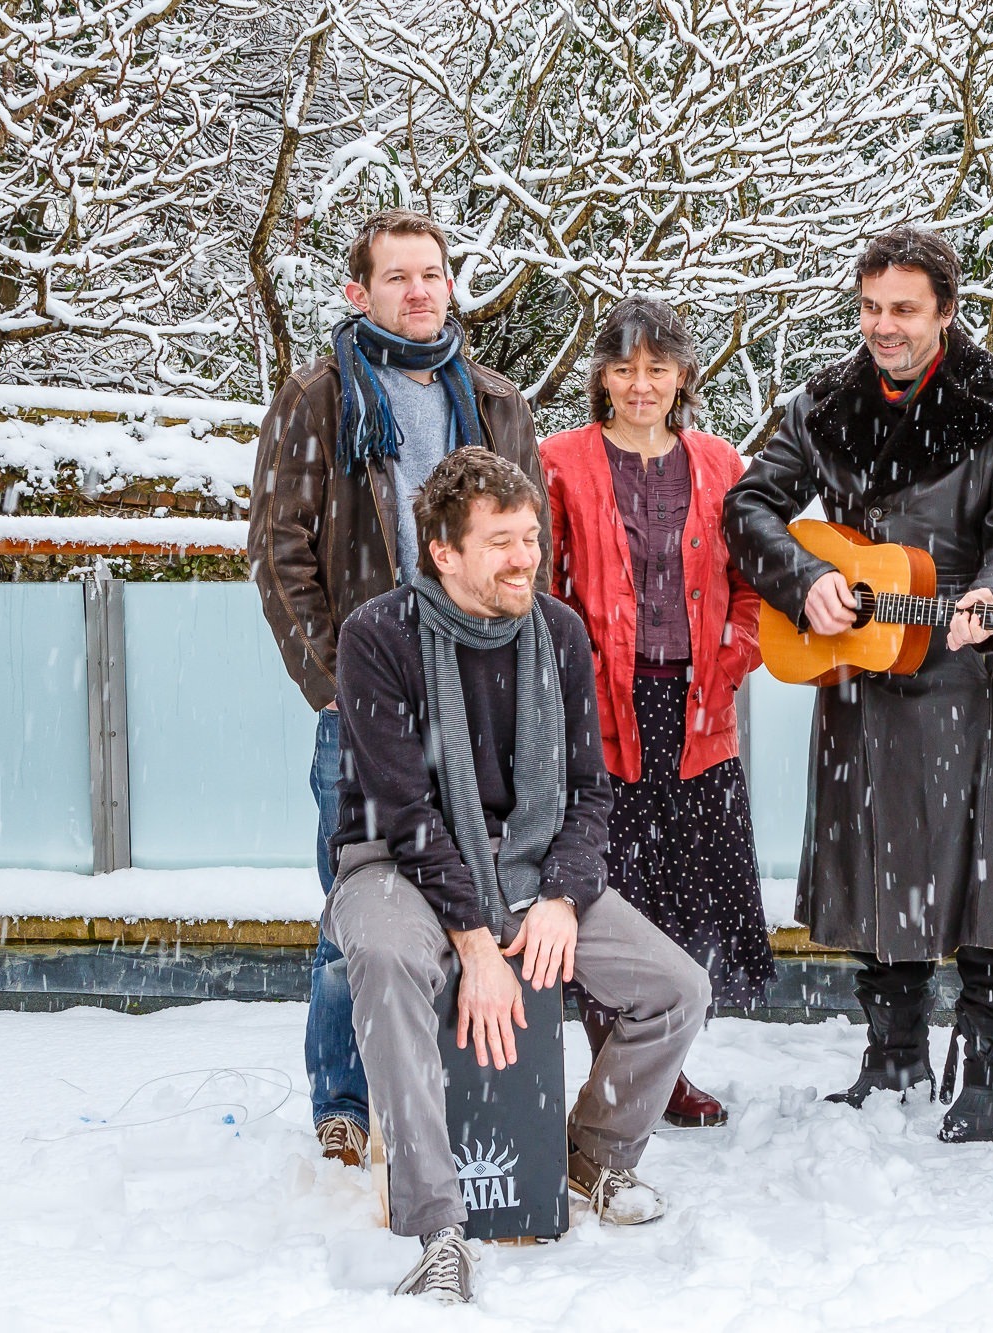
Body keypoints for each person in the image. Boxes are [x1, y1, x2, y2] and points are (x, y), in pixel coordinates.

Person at [328, 448, 711, 1303]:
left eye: (530, 537)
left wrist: (564, 900)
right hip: (397, 863)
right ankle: (436, 1224)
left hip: (533, 858)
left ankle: (594, 1156)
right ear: (445, 553)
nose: (524, 558)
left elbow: (586, 793)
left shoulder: (559, 632)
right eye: (500, 541)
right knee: (390, 963)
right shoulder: (378, 637)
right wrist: (476, 939)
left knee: (676, 988)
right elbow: (403, 811)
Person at [723, 226, 993, 1143]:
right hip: (859, 662)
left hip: (964, 667)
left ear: (945, 312)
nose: (883, 326)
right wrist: (803, 580)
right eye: (869, 308)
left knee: (991, 875)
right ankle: (895, 1051)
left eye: (903, 309)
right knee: (879, 860)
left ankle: (990, 1068)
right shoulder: (822, 404)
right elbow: (748, 504)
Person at [248, 209, 548, 1167]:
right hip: (369, 696)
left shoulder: (495, 400)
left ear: (450, 283)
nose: (418, 292)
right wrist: (335, 682)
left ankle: (464, 1090)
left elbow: (531, 550)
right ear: (358, 292)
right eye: (396, 277)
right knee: (356, 906)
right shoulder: (318, 396)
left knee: (484, 892)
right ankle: (342, 1100)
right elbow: (277, 548)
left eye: (432, 274)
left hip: (483, 696)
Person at [540, 296, 774, 1129]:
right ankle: (616, 1074)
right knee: (609, 891)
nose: (641, 384)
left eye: (658, 368)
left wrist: (734, 654)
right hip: (599, 710)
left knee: (688, 889)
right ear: (601, 376)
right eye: (624, 367)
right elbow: (543, 587)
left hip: (699, 706)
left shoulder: (718, 461)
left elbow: (749, 583)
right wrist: (569, 681)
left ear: (683, 377)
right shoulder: (559, 460)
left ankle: (665, 1061)